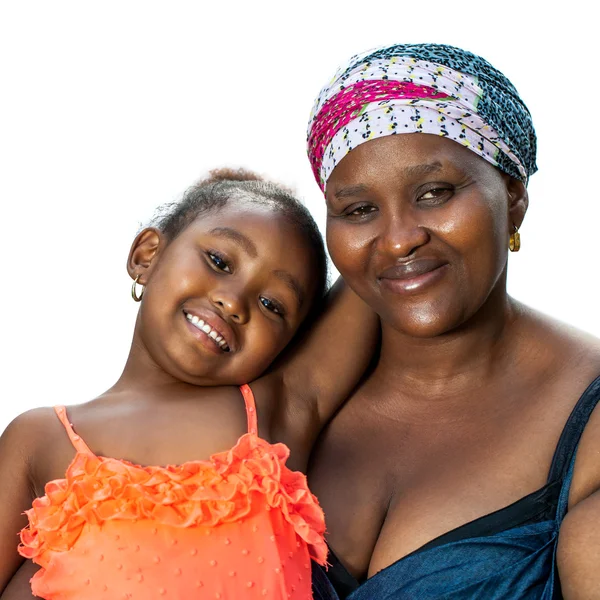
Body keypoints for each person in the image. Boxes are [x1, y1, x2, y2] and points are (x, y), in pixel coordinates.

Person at [306, 44, 600, 599]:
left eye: (435, 193)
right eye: (359, 211)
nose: (397, 239)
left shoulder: (587, 421)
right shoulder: (280, 390)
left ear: (514, 197)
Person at [0, 169, 378, 600]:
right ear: (147, 255)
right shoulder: (40, 437)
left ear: (288, 345)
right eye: (219, 262)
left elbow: (377, 246)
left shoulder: (276, 409)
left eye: (273, 305)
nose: (233, 301)